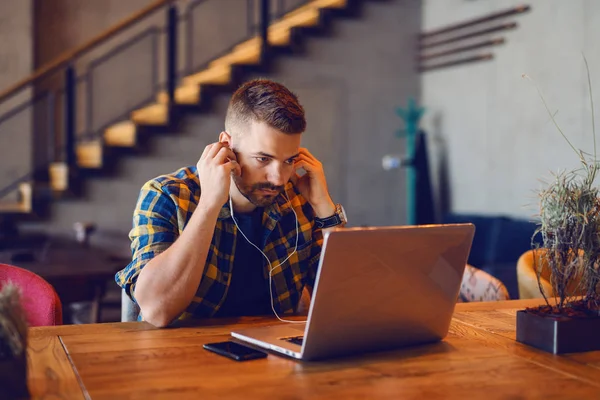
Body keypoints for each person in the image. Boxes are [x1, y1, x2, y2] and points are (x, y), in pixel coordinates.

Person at [115, 79, 347, 327]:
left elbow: (346, 300)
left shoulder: (297, 201)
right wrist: (209, 205)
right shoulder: (167, 195)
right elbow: (156, 311)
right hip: (182, 357)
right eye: (262, 158)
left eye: (289, 161)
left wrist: (324, 208)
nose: (278, 178)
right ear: (227, 145)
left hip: (272, 358)